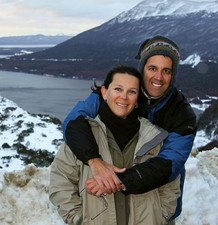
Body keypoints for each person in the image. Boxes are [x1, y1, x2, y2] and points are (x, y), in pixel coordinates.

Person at [61, 36, 197, 221]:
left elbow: (170, 164)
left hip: (153, 208)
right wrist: (95, 161)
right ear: (142, 69)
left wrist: (117, 180)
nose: (158, 77)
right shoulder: (119, 94)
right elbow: (72, 122)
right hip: (104, 211)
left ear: (173, 75)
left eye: (166, 71)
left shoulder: (182, 114)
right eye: (152, 68)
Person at [49, 65, 181, 225]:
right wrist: (80, 220)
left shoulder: (155, 137)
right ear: (104, 92)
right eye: (118, 89)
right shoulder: (83, 135)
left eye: (132, 91)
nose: (124, 97)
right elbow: (61, 181)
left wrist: (160, 216)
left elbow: (171, 183)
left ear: (138, 97)